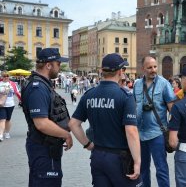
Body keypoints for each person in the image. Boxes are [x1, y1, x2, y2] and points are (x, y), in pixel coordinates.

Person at [68, 53, 142, 187]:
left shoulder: (89, 95)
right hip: (120, 158)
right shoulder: (125, 96)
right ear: (120, 72)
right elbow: (131, 131)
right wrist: (137, 161)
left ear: (102, 71)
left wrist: (87, 144)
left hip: (98, 155)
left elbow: (73, 124)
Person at [21, 48, 73, 187]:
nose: (59, 67)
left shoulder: (43, 84)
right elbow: (41, 123)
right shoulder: (37, 88)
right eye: (58, 64)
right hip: (43, 148)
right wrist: (66, 134)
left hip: (47, 147)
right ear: (48, 65)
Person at [133, 55, 176, 187]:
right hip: (140, 133)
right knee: (143, 168)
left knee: (161, 168)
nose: (153, 70)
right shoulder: (137, 84)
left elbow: (172, 110)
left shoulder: (164, 84)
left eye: (155, 66)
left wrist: (173, 133)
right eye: (149, 67)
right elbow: (134, 106)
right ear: (143, 69)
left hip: (158, 133)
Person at [0, 71, 21, 141]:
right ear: (2, 77)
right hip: (1, 105)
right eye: (4, 76)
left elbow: (17, 93)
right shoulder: (0, 83)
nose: (6, 77)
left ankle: (7, 132)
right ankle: (1, 135)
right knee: (2, 119)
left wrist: (22, 100)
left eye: (7, 76)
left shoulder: (12, 84)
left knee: (8, 120)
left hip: (10, 104)